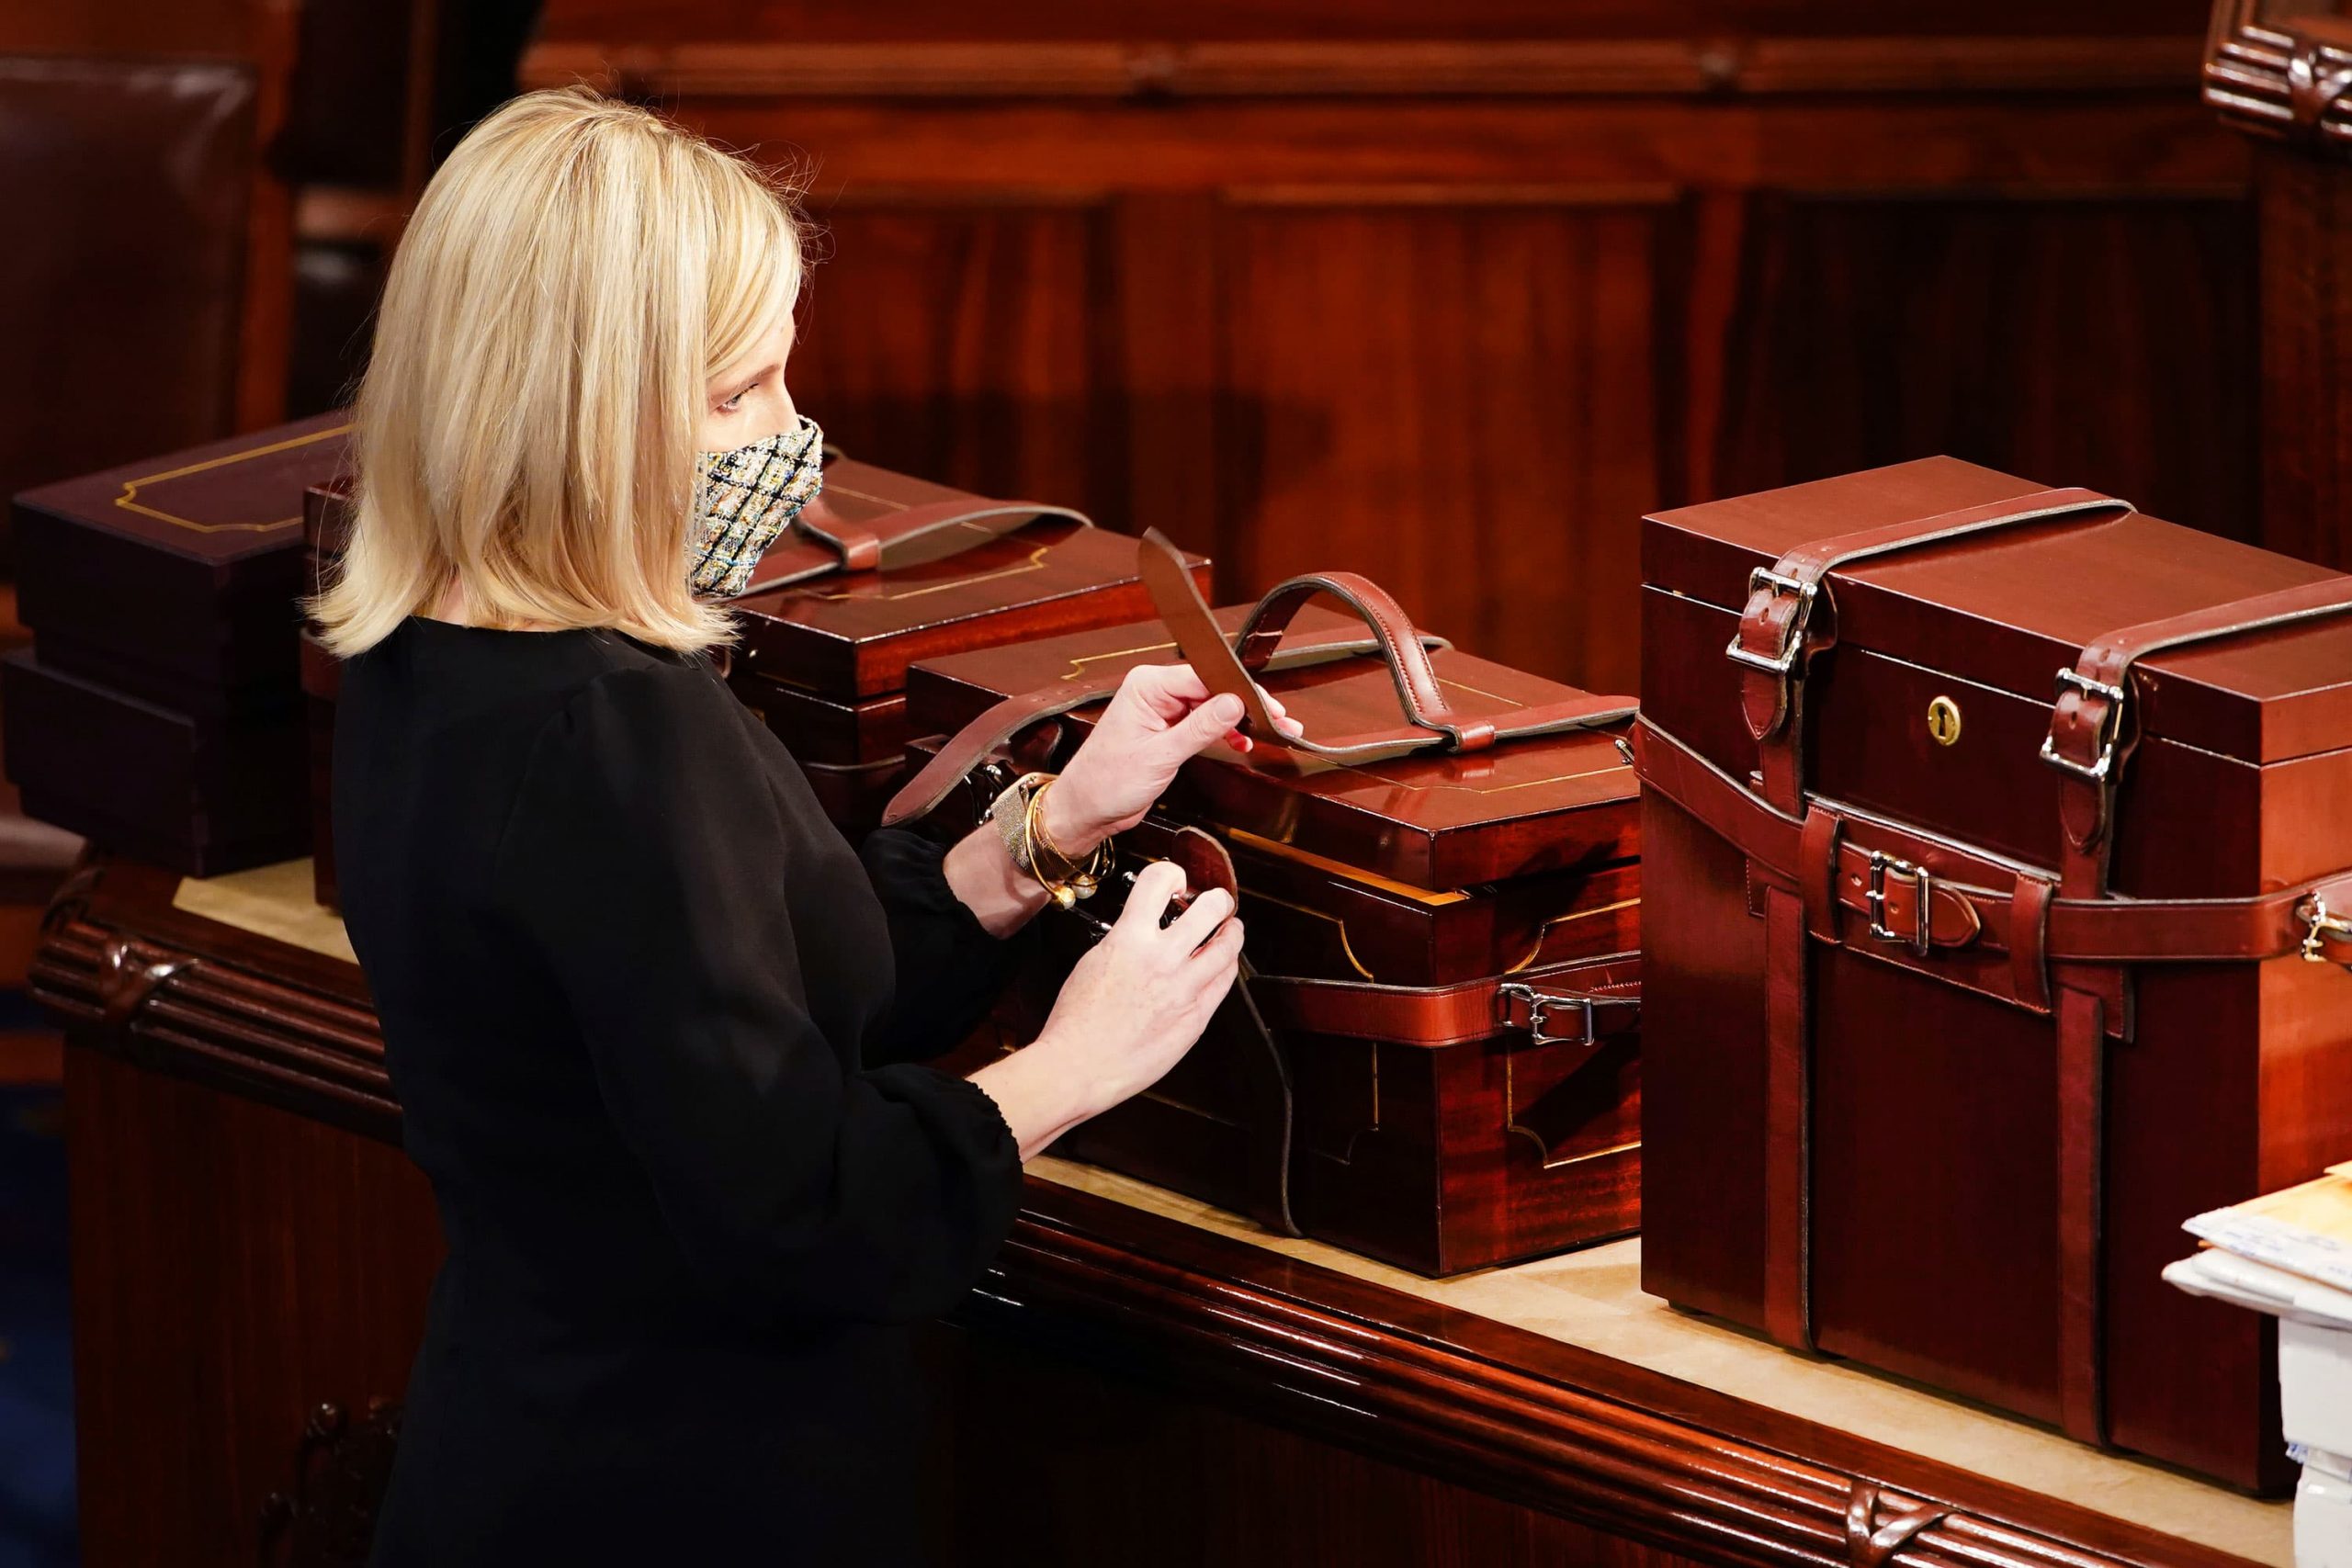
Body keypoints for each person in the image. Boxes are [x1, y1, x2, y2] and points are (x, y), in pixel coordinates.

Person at [305, 86, 1297, 1566]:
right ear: (574, 416)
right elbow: (803, 1209)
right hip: (675, 1496)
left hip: (522, 1439)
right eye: (735, 396)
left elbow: (727, 1004)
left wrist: (1040, 836)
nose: (791, 438)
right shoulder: (614, 726)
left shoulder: (425, 648)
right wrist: (1077, 1061)